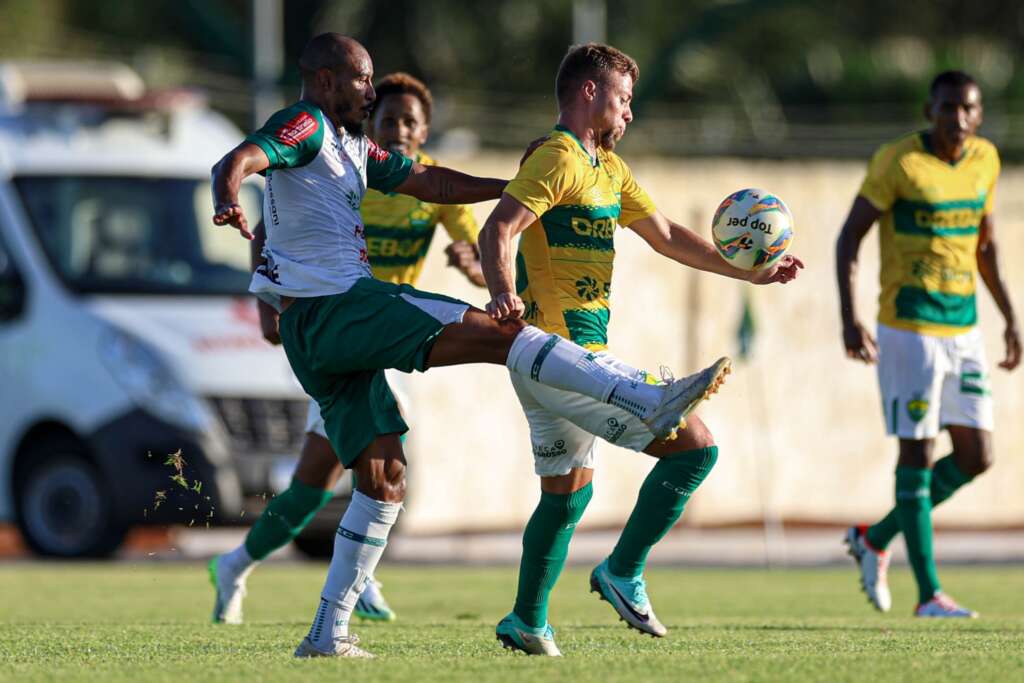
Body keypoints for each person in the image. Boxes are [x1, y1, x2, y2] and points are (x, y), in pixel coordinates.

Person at [211, 33, 733, 659]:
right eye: (361, 80)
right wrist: (227, 196)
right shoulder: (305, 124)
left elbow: (430, 183)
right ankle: (641, 395)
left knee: (384, 478)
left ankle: (328, 632)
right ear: (324, 81)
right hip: (339, 308)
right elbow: (239, 160)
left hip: (318, 335)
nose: (371, 92)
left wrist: (507, 183)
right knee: (502, 333)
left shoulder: (353, 147)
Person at [477, 43, 804, 655]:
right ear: (590, 93)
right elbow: (499, 226)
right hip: (558, 355)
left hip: (560, 360)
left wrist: (750, 272)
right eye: (624, 100)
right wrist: (501, 294)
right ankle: (623, 570)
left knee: (568, 493)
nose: (630, 114)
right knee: (695, 449)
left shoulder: (609, 170)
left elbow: (669, 236)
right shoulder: (559, 157)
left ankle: (526, 621)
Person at [209, 72, 487, 626]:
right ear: (374, 124)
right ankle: (341, 578)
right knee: (346, 473)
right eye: (388, 120)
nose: (399, 129)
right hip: (337, 331)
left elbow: (472, 248)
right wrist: (267, 303)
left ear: (425, 129)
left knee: (326, 481)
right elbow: (272, 227)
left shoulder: (422, 184)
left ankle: (240, 565)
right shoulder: (351, 167)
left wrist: (474, 267)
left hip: (389, 333)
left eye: (410, 122)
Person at [837, 70, 1019, 618]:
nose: (957, 119)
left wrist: (1011, 316)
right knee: (916, 453)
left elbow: (985, 246)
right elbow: (849, 238)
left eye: (967, 109)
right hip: (908, 327)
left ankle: (874, 539)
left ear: (979, 114)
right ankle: (929, 595)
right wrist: (849, 319)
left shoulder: (986, 160)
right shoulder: (899, 163)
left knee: (977, 455)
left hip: (963, 329)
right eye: (947, 108)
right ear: (929, 110)